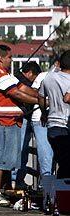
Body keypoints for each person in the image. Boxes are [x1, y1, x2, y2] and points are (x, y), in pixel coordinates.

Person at [0, 44, 38, 207]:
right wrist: (39, 101)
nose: (11, 60)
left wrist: (42, 95)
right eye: (9, 57)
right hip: (3, 120)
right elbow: (16, 93)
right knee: (1, 154)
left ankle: (8, 189)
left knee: (10, 157)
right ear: (1, 58)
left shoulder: (5, 74)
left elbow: (22, 87)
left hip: (12, 120)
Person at [40, 50, 70, 179]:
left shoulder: (49, 77)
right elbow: (67, 99)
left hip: (52, 126)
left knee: (62, 163)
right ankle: (61, 196)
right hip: (65, 127)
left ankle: (58, 195)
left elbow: (40, 96)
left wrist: (44, 113)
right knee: (67, 165)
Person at [13, 61, 41, 187]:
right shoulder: (19, 82)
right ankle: (16, 180)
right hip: (22, 119)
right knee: (20, 149)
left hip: (25, 118)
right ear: (29, 73)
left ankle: (18, 179)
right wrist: (39, 98)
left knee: (22, 150)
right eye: (35, 79)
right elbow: (23, 92)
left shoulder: (15, 78)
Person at [30, 62, 55, 183]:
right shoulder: (43, 76)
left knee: (56, 153)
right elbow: (35, 93)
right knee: (45, 153)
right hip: (41, 119)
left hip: (59, 120)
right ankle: (46, 183)